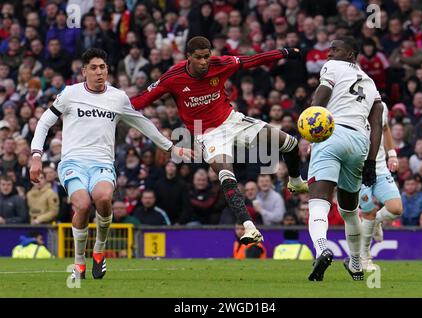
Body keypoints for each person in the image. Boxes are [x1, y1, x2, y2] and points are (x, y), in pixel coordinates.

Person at [29, 48, 193, 281]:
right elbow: (45, 122)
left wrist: (171, 147)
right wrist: (36, 155)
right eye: (94, 68)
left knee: (104, 199)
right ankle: (78, 262)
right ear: (84, 71)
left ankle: (98, 250)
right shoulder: (70, 94)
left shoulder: (118, 97)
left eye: (103, 67)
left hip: (102, 163)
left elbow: (142, 123)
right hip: (73, 162)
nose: (99, 72)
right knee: (83, 205)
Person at [131, 36, 308, 245]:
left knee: (289, 143)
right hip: (207, 134)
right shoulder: (173, 77)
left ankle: (295, 182)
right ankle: (249, 228)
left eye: (207, 56)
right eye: (199, 58)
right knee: (226, 174)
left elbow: (251, 60)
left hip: (233, 120)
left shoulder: (220, 64)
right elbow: (141, 100)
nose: (205, 62)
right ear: (188, 57)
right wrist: (110, 105)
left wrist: (283, 52)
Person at [306, 36, 383, 281]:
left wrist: (309, 124)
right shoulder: (371, 84)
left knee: (319, 200)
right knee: (350, 210)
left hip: (331, 133)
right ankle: (357, 264)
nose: (328, 54)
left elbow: (321, 96)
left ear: (350, 54)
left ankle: (322, 248)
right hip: (360, 141)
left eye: (335, 49)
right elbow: (377, 122)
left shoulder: (333, 67)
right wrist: (371, 161)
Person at [359, 102, 403, 271]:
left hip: (380, 169)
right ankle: (364, 257)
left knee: (396, 208)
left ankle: (377, 221)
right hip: (358, 173)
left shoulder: (381, 106)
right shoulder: (348, 105)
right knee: (368, 211)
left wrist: (392, 155)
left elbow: (385, 128)